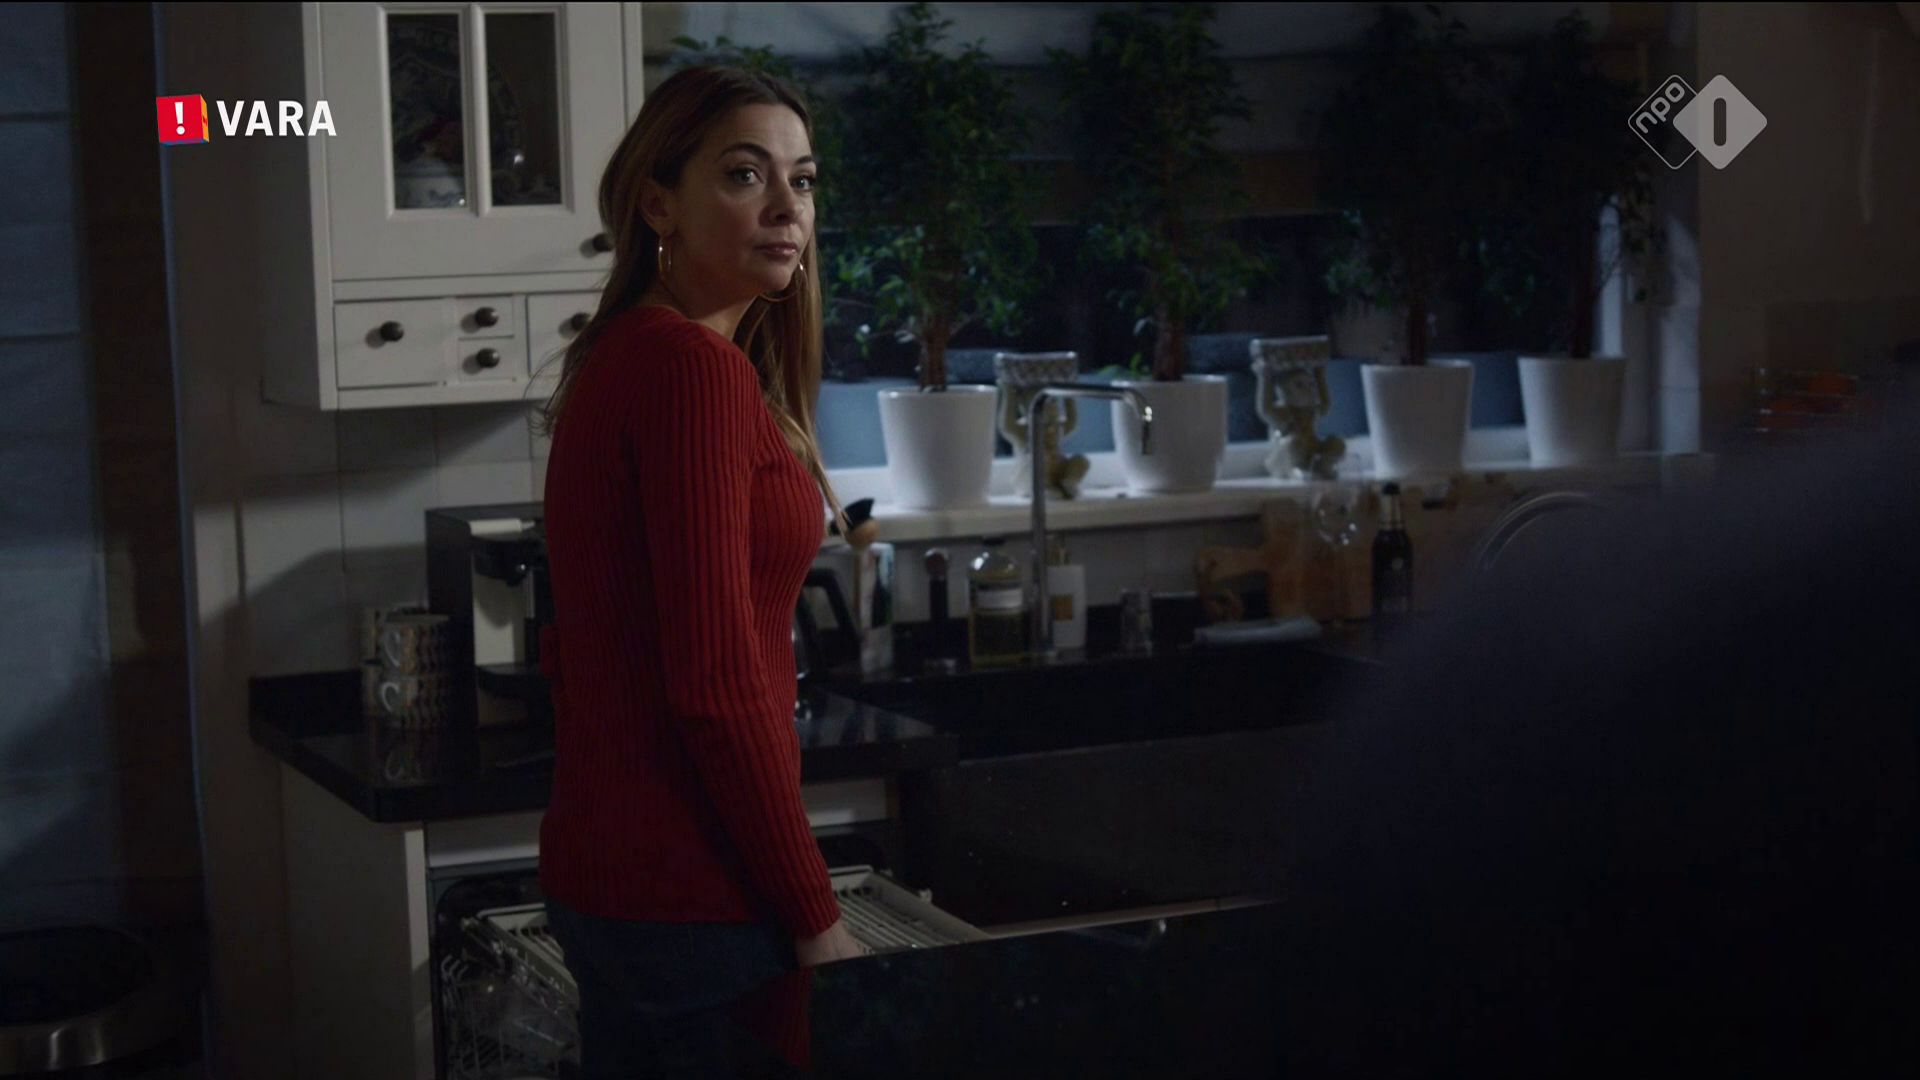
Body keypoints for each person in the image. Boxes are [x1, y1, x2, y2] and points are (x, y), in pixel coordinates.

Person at [531, 65, 867, 1078]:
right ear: (658, 204)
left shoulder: (628, 354)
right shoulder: (692, 371)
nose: (786, 209)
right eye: (743, 175)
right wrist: (815, 916)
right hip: (694, 895)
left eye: (802, 180)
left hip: (620, 881)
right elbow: (716, 686)